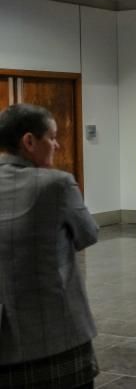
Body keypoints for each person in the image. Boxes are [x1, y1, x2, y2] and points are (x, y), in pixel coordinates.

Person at [0, 104, 100, 389]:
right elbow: (88, 235)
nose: (57, 144)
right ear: (29, 142)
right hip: (57, 338)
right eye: (52, 137)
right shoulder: (57, 184)